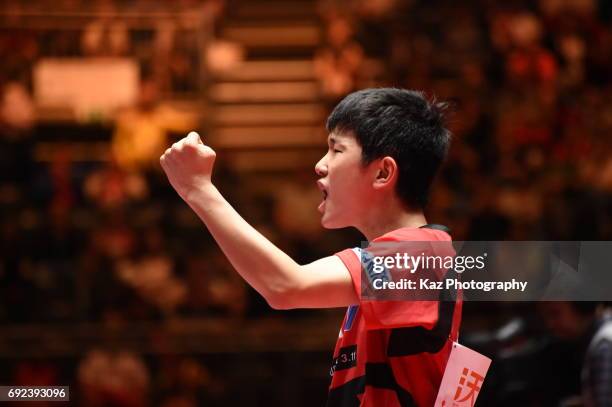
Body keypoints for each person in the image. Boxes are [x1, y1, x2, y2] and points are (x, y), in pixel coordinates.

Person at [160, 88, 462, 406]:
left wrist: (198, 190)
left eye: (336, 150)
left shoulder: (418, 254)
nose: (320, 165)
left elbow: (286, 286)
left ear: (383, 172)